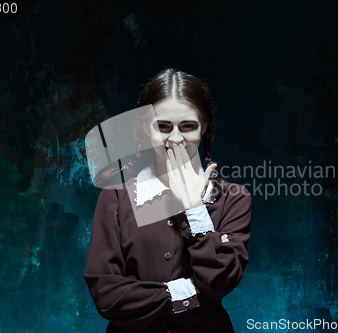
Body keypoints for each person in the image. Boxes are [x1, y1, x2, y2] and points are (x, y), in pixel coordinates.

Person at [84, 68, 252, 333]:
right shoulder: (115, 197)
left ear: (205, 127)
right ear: (144, 128)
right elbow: (107, 294)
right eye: (163, 126)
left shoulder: (234, 199)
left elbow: (218, 283)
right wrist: (184, 292)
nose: (175, 139)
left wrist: (194, 208)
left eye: (188, 126)